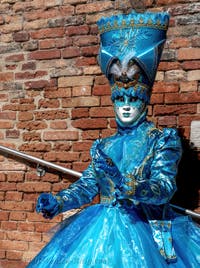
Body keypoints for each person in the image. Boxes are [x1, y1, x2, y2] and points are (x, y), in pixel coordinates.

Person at [27, 11, 200, 268]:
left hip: (142, 229)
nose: (126, 106)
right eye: (120, 99)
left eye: (134, 99)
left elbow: (164, 188)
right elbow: (86, 187)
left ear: (145, 102)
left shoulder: (160, 140)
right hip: (98, 228)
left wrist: (130, 187)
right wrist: (60, 200)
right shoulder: (104, 146)